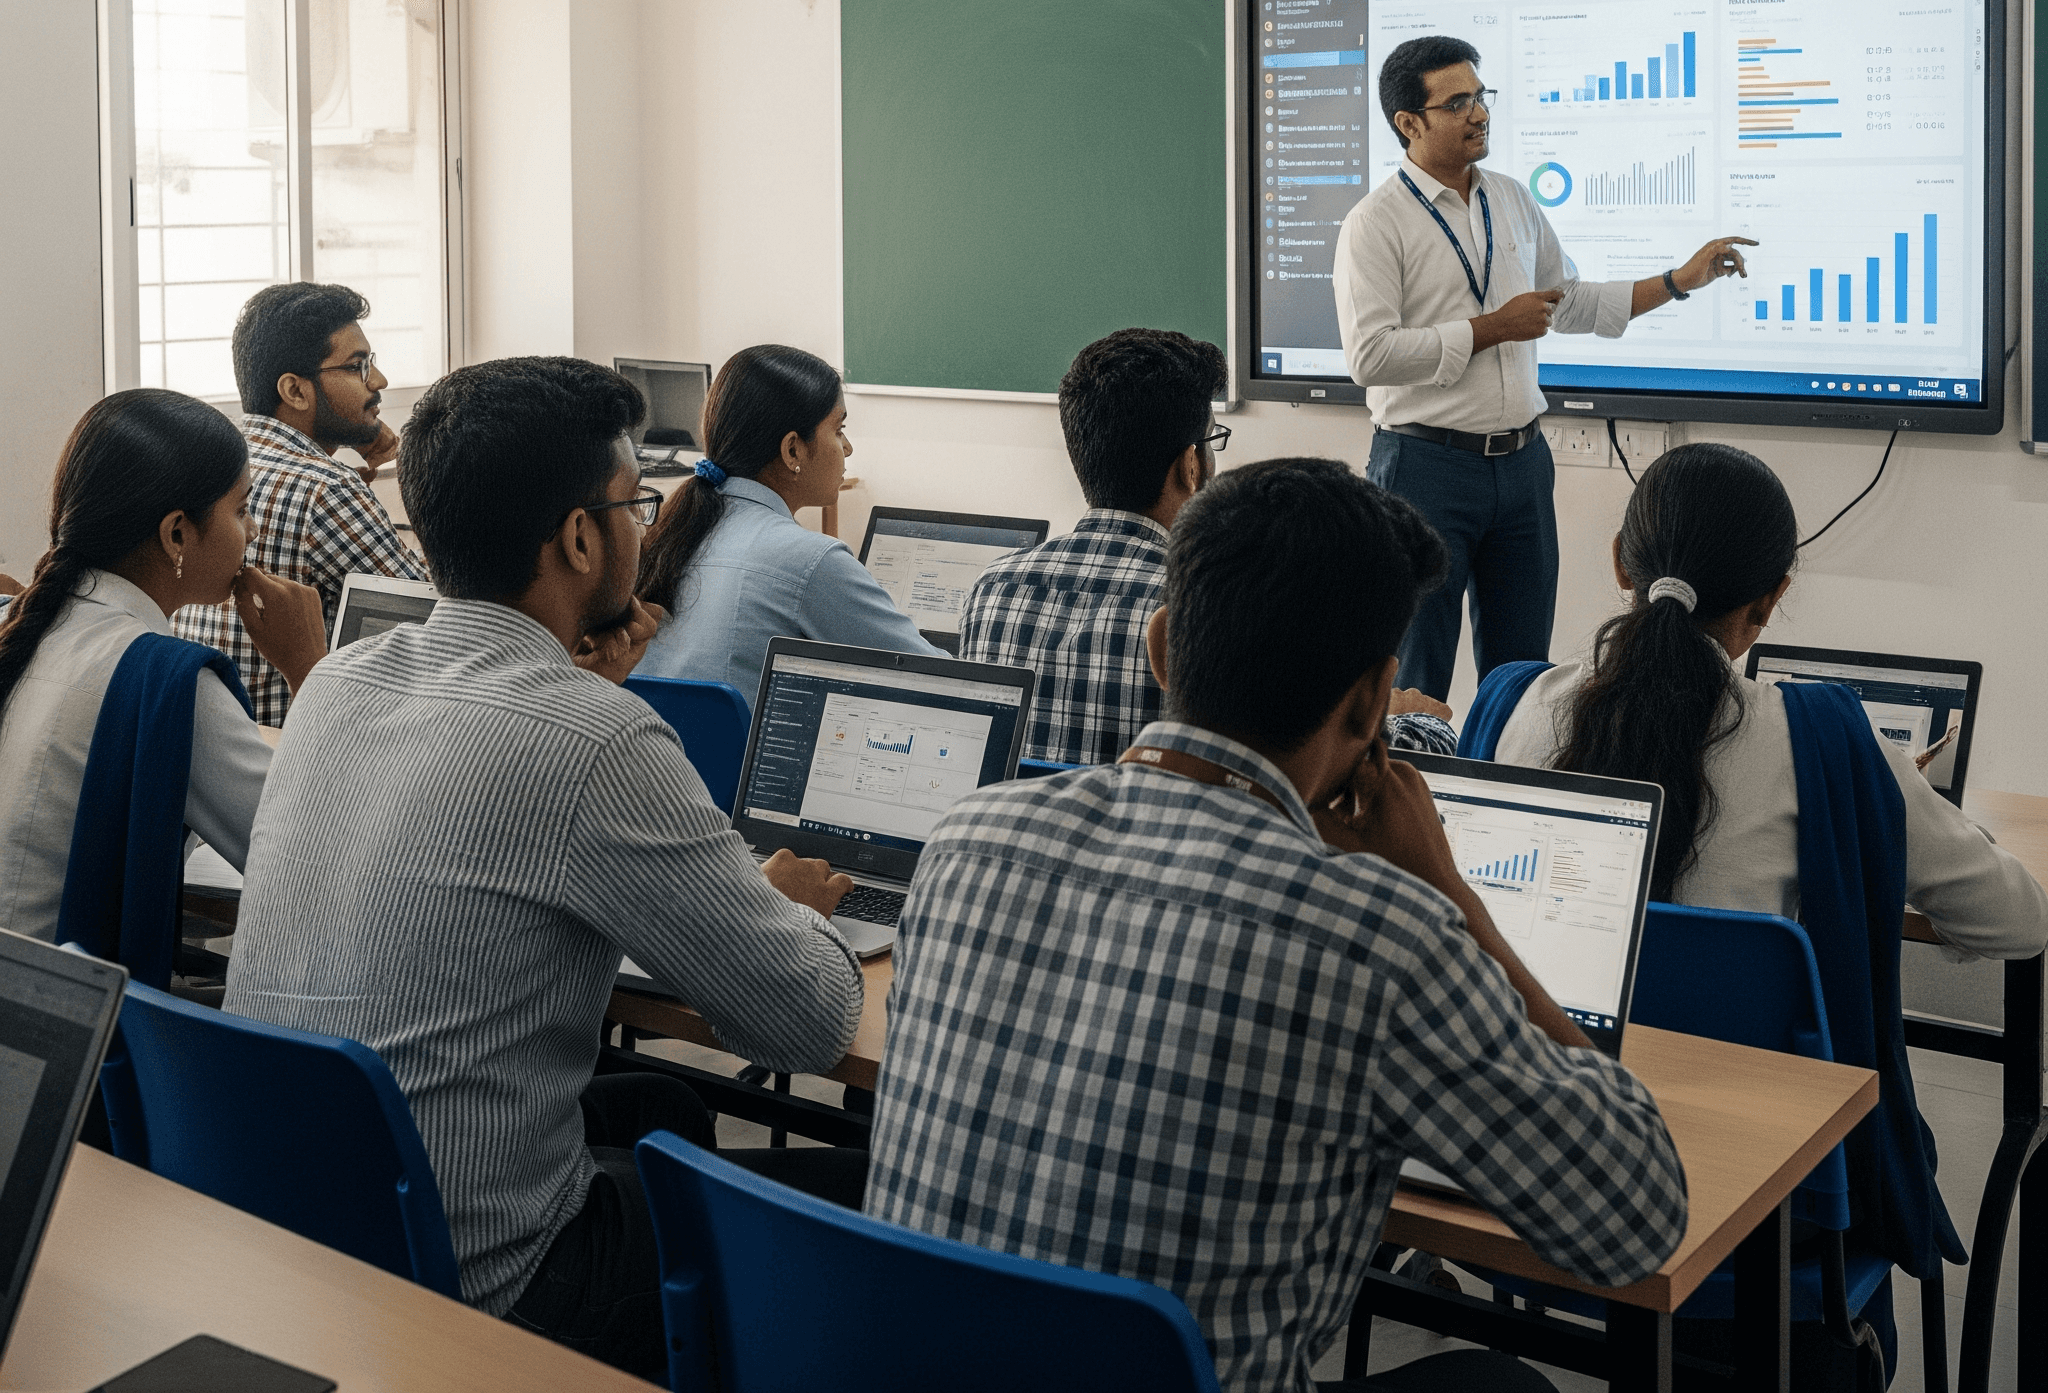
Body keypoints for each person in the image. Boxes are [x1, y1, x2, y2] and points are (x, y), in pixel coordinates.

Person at [865, 457, 1688, 1393]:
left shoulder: (970, 837)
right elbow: (1637, 1220)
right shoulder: (1378, 935)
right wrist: (1455, 901)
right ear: (1377, 700)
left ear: (1163, 648)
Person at [224, 356, 868, 1382]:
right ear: (578, 535)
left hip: (306, 1222)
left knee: (661, 1110)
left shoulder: (341, 678)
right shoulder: (592, 736)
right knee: (841, 1201)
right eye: (633, 504)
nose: (645, 526)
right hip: (475, 1283)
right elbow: (803, 1021)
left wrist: (575, 687)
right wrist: (781, 903)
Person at [1485, 442, 2048, 1381]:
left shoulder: (1514, 704)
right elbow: (2019, 919)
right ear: (1772, 600)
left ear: (1621, 562)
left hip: (1529, 1185)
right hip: (1752, 1221)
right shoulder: (1822, 740)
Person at [1334, 36, 1756, 697]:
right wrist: (1490, 330)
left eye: (1480, 96)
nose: (1479, 114)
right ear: (1409, 124)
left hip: (1523, 465)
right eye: (1457, 103)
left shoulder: (1509, 198)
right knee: (1416, 680)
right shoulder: (1374, 223)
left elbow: (1572, 302)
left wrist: (1677, 281)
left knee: (1522, 678)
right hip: (1423, 468)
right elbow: (1370, 355)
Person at [961, 328, 1455, 762]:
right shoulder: (1217, 607)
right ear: (1190, 466)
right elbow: (1317, 761)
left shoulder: (990, 590)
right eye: (1211, 440)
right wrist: (1412, 720)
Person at [0, 391, 325, 945]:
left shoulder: (17, 622)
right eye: (241, 510)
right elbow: (314, 863)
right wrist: (309, 670)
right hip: (58, 1015)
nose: (253, 533)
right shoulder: (168, 683)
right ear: (177, 533)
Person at [175, 283, 424, 724]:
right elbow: (436, 621)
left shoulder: (204, 459)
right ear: (294, 390)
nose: (379, 382)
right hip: (297, 758)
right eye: (358, 366)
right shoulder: (326, 490)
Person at [635, 345, 932, 703]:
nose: (848, 448)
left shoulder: (672, 534)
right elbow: (933, 676)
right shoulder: (811, 561)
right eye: (839, 430)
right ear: (793, 450)